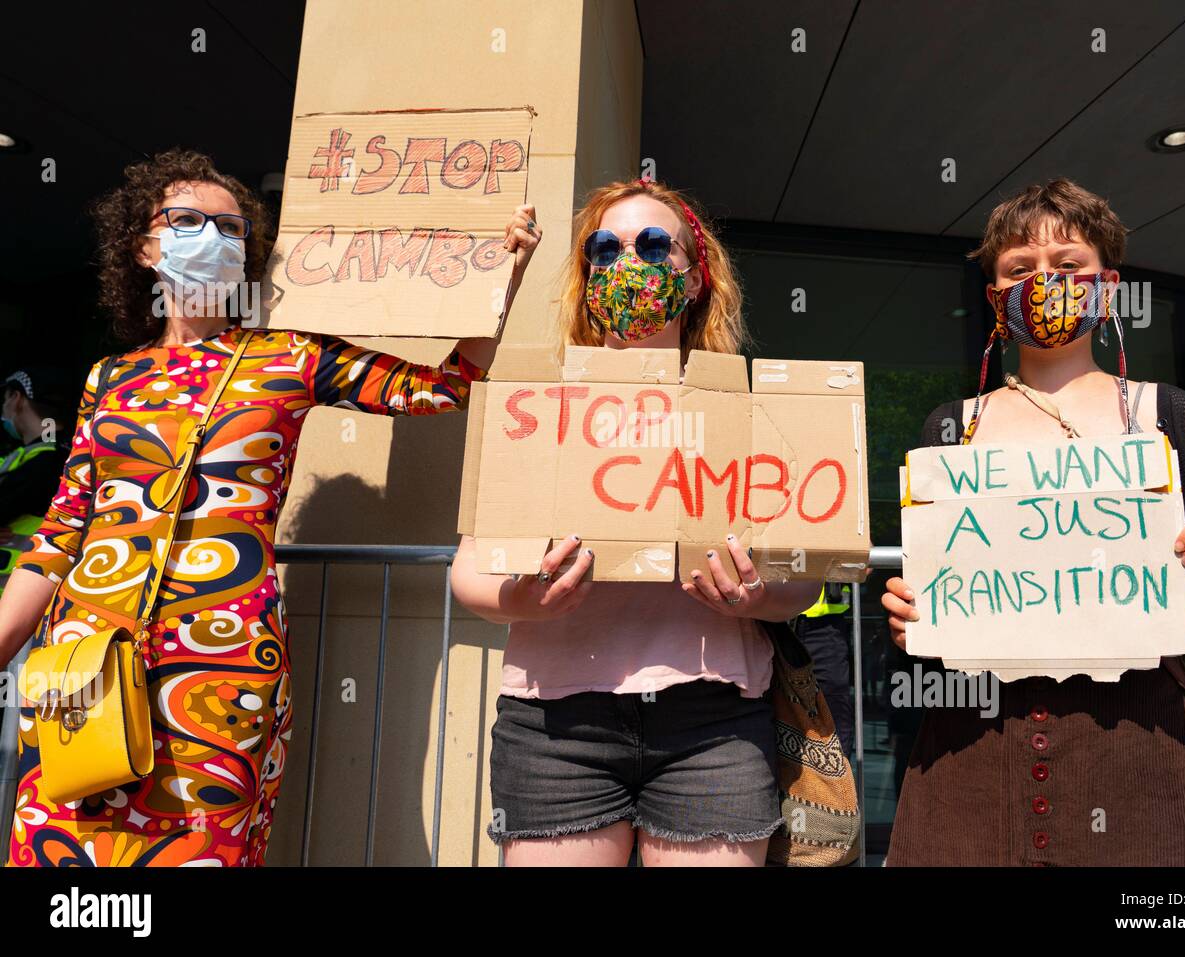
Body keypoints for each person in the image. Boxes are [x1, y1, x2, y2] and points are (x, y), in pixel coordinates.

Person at [0, 147, 541, 866]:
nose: (214, 239)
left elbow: (446, 383)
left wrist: (502, 271)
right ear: (142, 245)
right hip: (85, 664)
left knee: (201, 849)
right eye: (189, 220)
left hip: (221, 665)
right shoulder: (111, 376)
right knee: (65, 860)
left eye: (231, 229)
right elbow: (61, 531)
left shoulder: (287, 355)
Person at [880, 178, 1185, 866]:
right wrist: (908, 620)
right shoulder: (952, 429)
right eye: (1019, 269)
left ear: (1107, 285)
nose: (1044, 281)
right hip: (977, 750)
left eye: (1068, 265)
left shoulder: (1166, 414)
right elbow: (930, 606)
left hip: (1145, 751)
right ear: (995, 296)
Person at [451, 178, 822, 866]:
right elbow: (469, 574)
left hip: (713, 724)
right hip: (556, 726)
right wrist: (522, 601)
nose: (628, 262)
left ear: (695, 272)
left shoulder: (745, 410)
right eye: (604, 249)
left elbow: (803, 576)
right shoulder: (538, 406)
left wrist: (758, 596)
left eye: (654, 245)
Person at [0, 368, 77, 594]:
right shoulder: (58, 449)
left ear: (16, 398)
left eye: (4, 398)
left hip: (14, 599)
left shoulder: (49, 460)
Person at [792, 582, 856, 757]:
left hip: (825, 624)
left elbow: (865, 561)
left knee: (833, 712)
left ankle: (838, 781)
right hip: (769, 615)